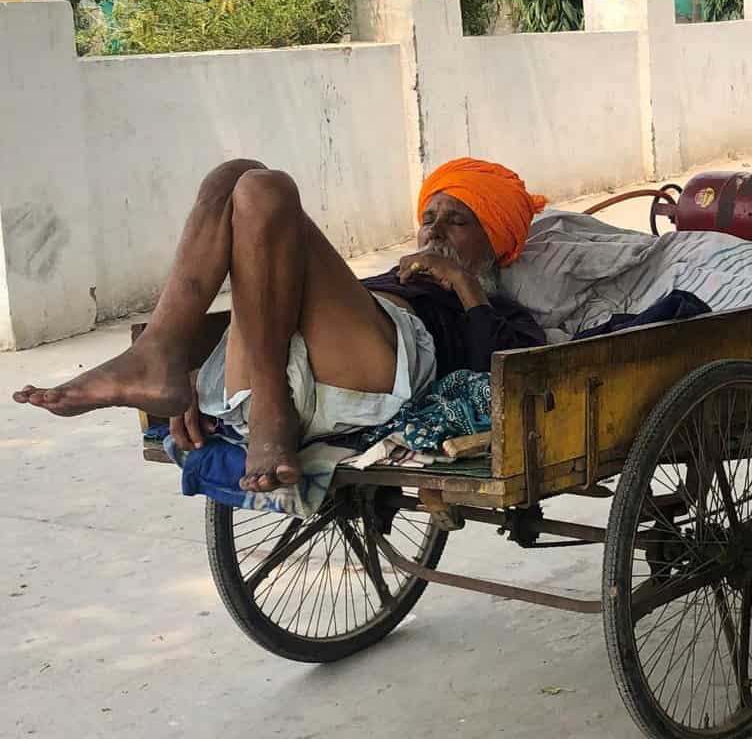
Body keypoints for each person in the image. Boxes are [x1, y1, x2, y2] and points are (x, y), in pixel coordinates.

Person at [12, 157, 547, 492]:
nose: (436, 231)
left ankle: (253, 401)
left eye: (460, 220)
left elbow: (491, 377)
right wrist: (204, 378)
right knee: (232, 177)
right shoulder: (391, 274)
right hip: (282, 356)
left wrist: (463, 284)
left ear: (499, 242)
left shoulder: (503, 311)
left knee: (264, 188)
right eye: (430, 216)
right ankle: (166, 357)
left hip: (374, 372)